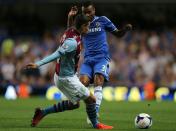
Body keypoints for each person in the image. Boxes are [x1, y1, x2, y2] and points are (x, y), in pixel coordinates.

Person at [25, 14, 113, 130]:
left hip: (66, 75)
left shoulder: (70, 31)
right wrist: (38, 64)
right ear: (82, 26)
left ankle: (42, 112)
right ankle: (96, 124)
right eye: (87, 27)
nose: (88, 29)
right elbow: (57, 53)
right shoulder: (72, 42)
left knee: (74, 104)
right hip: (66, 79)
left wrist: (69, 17)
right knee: (91, 99)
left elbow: (70, 28)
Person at [67, 1, 132, 123]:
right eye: (84, 12)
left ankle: (94, 112)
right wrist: (70, 17)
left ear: (94, 10)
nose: (86, 14)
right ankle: (79, 105)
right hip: (87, 59)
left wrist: (125, 30)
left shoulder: (102, 20)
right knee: (83, 83)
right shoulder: (81, 23)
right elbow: (70, 32)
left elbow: (117, 34)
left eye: (89, 12)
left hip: (101, 58)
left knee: (98, 80)